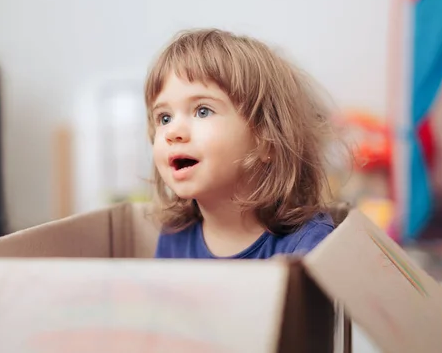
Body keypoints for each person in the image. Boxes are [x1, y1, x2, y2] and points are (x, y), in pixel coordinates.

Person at [144, 28, 337, 259]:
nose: (173, 132)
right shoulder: (174, 237)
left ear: (268, 142)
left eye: (203, 111)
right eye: (164, 118)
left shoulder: (309, 245)